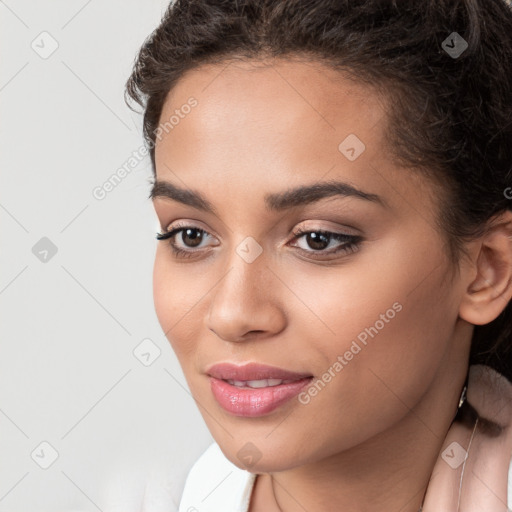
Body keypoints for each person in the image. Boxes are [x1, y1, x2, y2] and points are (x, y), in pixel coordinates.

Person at [124, 0, 512, 510]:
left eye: (318, 239)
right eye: (191, 235)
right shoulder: (190, 493)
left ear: (487, 270)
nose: (232, 314)